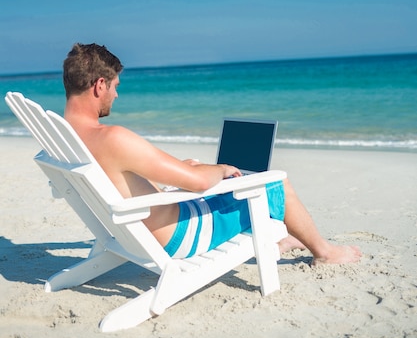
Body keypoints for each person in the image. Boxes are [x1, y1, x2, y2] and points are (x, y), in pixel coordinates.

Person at [63, 43, 361, 264]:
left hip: (139, 229)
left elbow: (122, 175)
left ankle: (280, 239)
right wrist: (218, 169)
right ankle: (326, 253)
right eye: (115, 86)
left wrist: (181, 167)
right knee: (274, 184)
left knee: (207, 180)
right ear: (99, 84)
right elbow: (199, 183)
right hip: (179, 235)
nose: (116, 94)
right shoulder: (113, 137)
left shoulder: (66, 138)